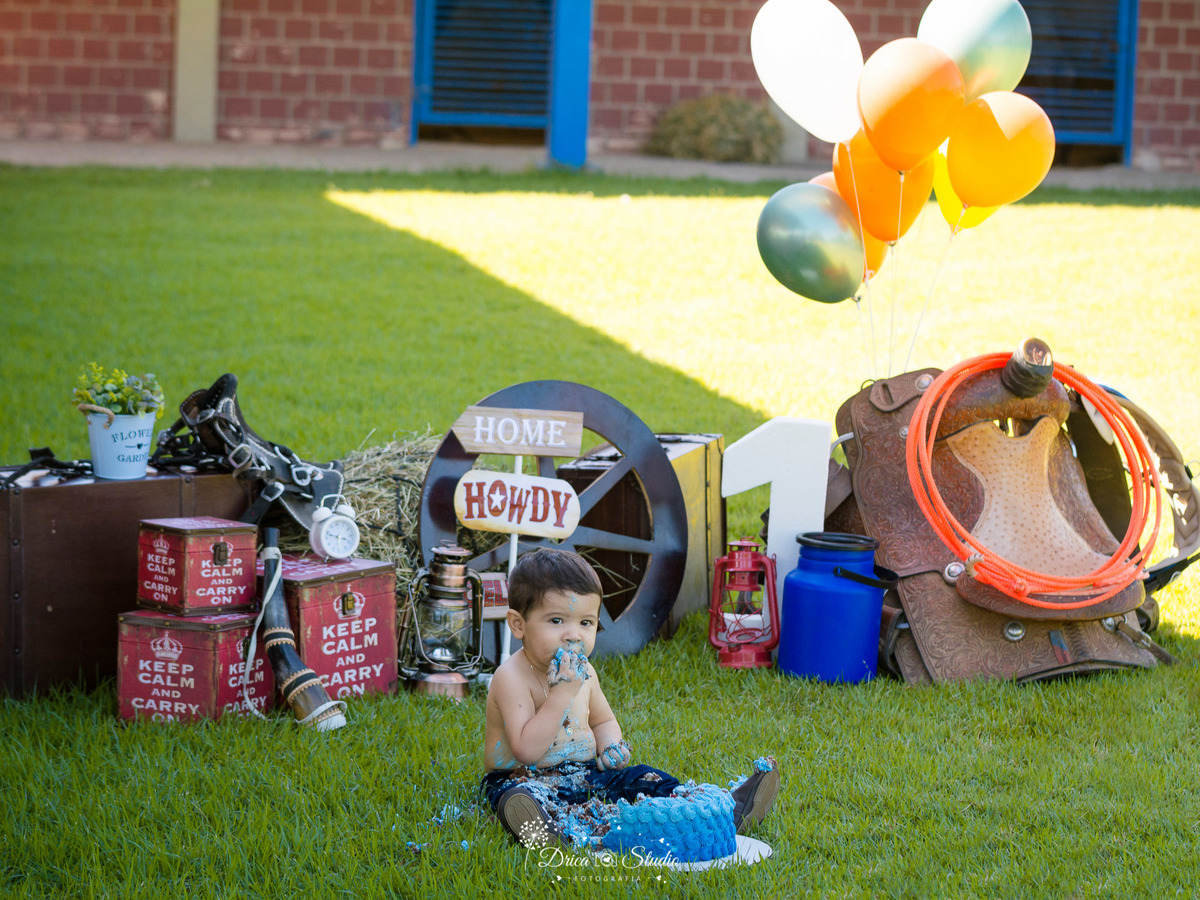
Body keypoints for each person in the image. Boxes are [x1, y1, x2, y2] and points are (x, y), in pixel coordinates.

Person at [481, 547, 779, 846]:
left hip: (585, 774)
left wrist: (610, 745)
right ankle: (543, 830)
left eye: (586, 623)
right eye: (557, 620)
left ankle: (723, 810)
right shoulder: (511, 677)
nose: (573, 635)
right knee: (517, 798)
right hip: (523, 779)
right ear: (518, 624)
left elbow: (603, 721)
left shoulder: (585, 673)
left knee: (646, 779)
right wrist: (560, 696)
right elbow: (525, 751)